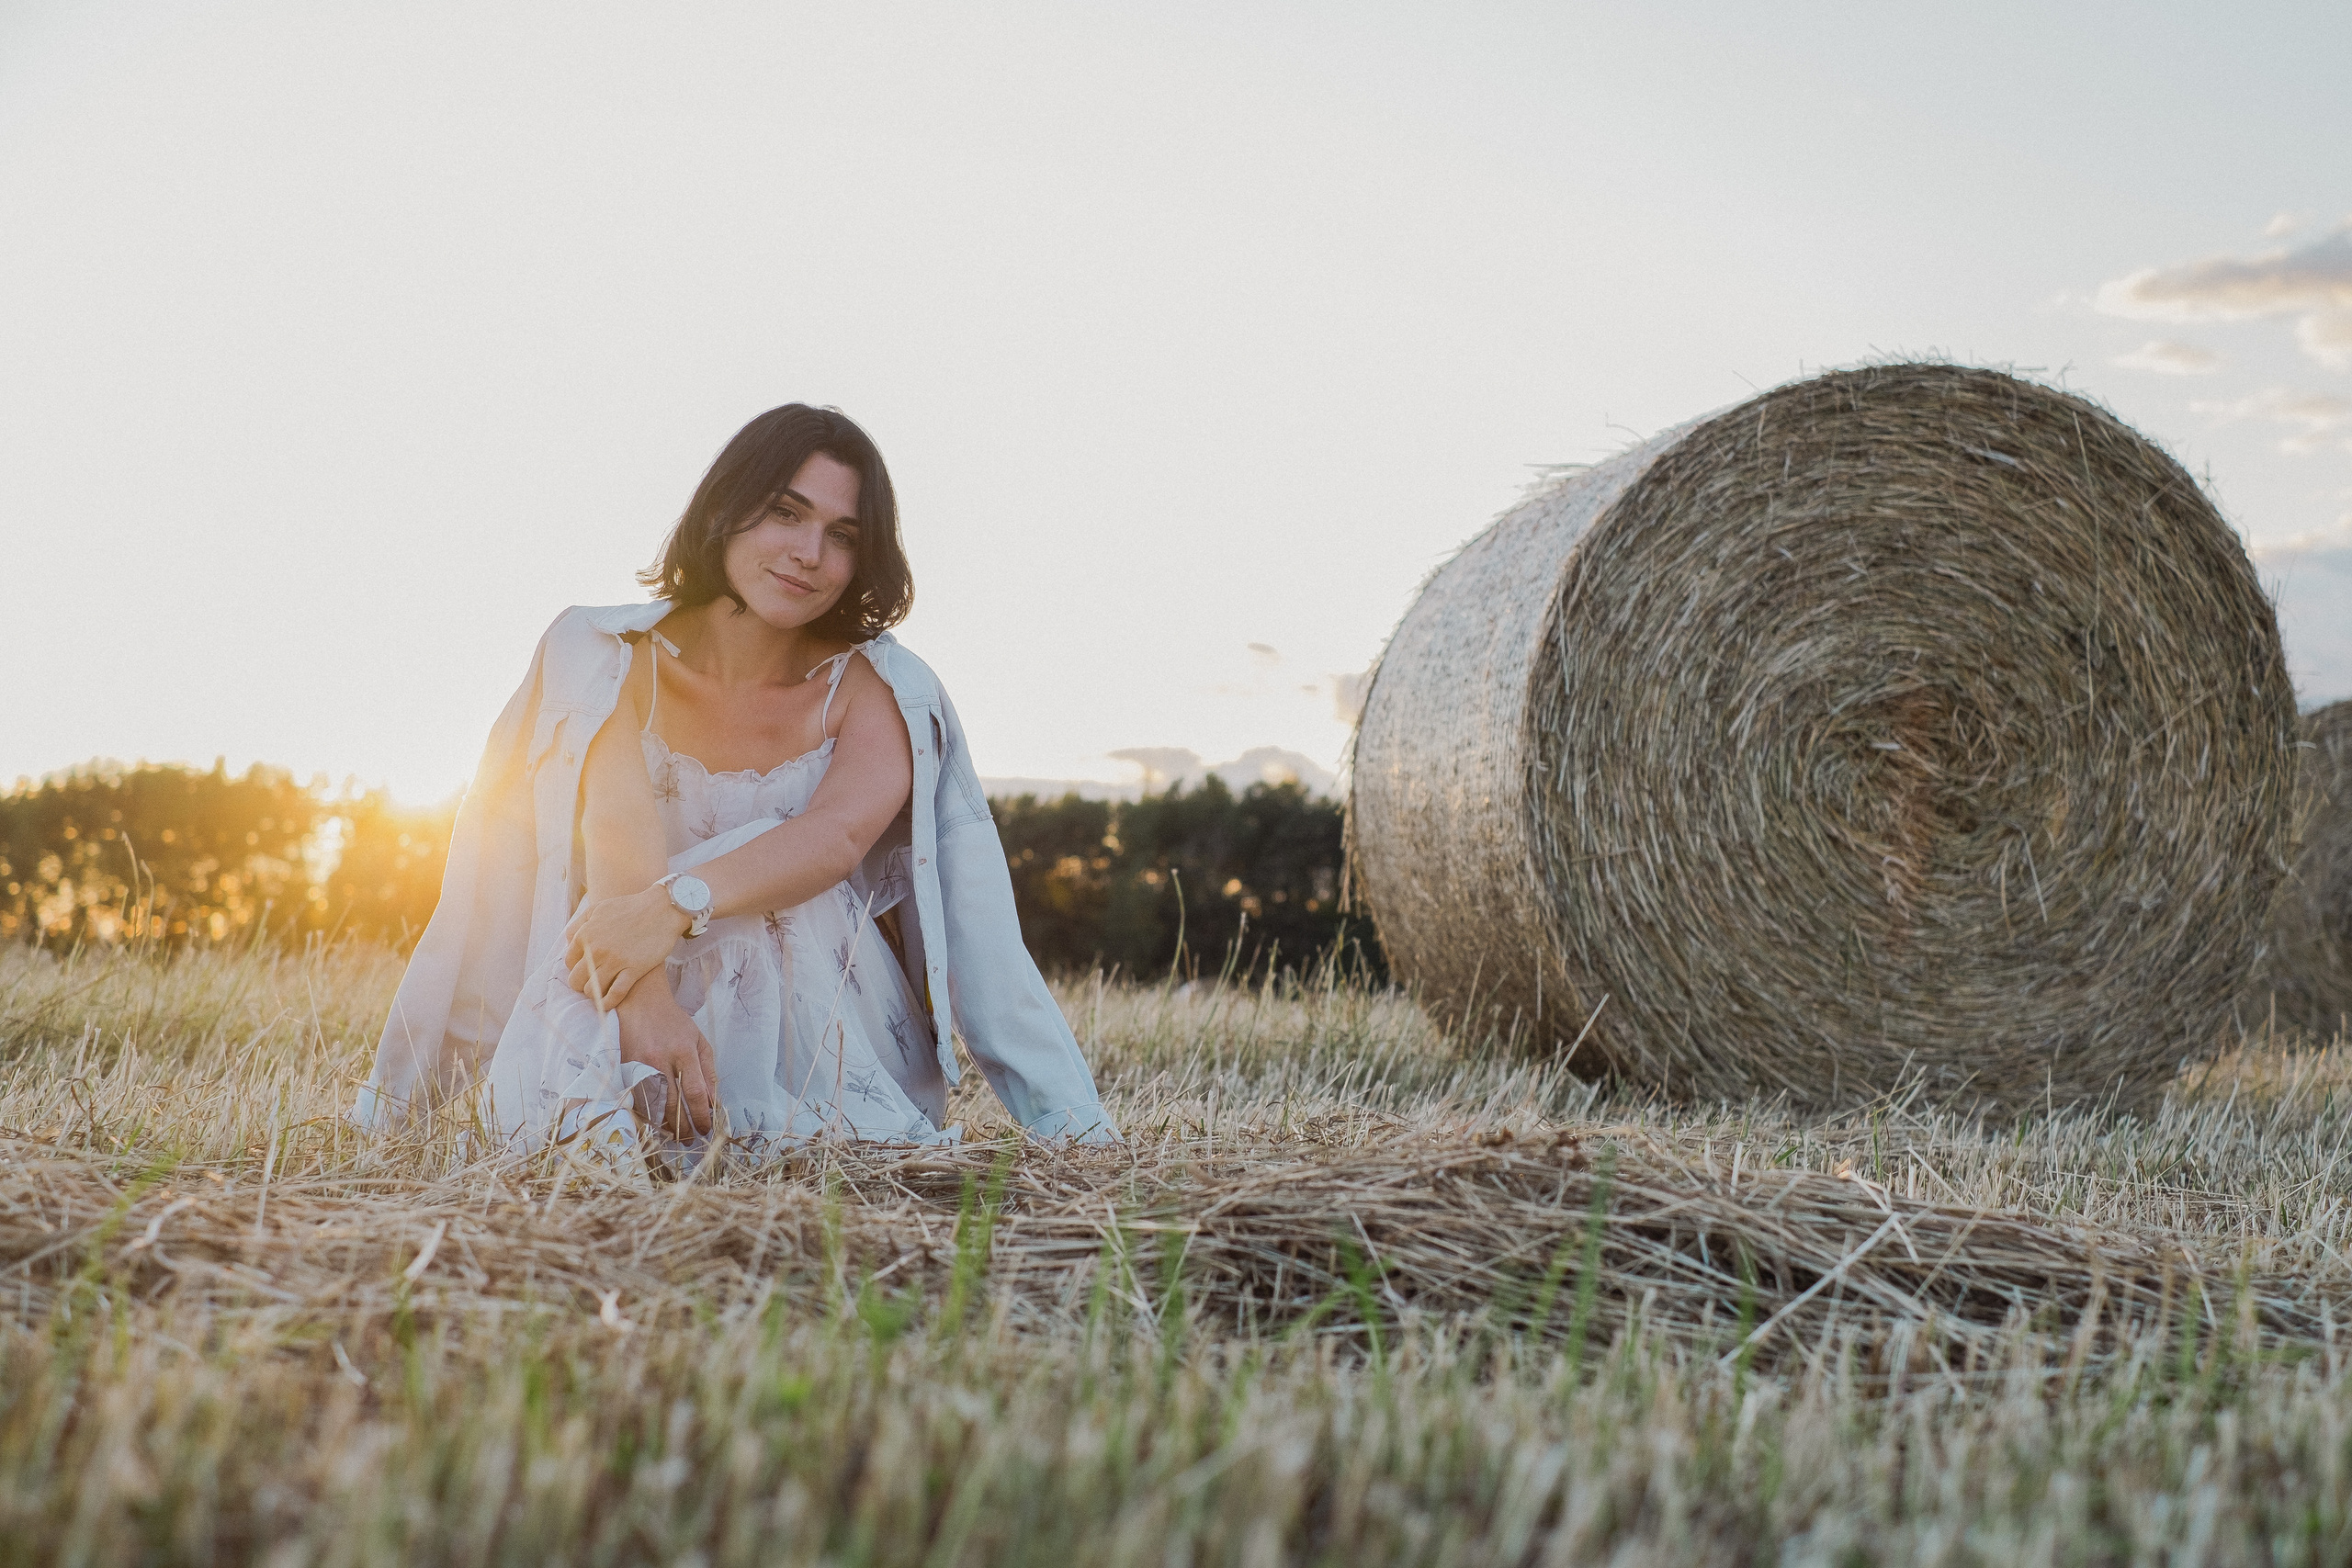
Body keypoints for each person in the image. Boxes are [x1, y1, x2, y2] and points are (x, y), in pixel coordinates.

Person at [353, 404, 1117, 1165]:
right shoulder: (607, 658)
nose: (809, 553)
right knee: (593, 1012)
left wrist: (1072, 1127)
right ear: (725, 507)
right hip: (626, 975)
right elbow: (617, 837)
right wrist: (643, 995)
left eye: (843, 535)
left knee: (763, 865)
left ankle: (779, 1130)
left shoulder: (880, 688)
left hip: (818, 1029)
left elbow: (833, 838)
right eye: (787, 512)